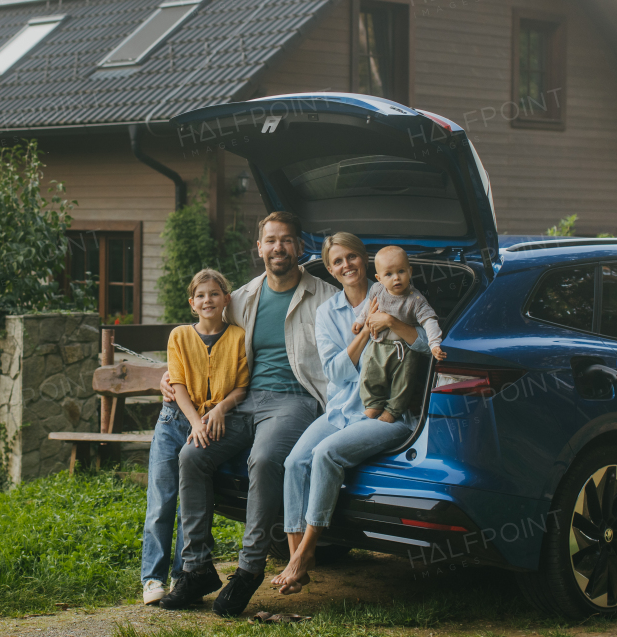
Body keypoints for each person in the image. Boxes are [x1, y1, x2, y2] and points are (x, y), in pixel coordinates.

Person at [160, 211, 336, 617]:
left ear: (300, 247)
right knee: (192, 456)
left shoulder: (325, 297)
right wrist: (169, 376)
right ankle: (198, 567)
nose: (278, 247)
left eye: (286, 240)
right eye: (270, 240)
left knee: (264, 458)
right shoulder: (241, 297)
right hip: (244, 401)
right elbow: (203, 336)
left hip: (296, 401)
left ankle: (249, 568)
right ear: (259, 248)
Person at [273, 234, 434, 595]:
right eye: (339, 261)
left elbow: (426, 345)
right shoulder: (327, 312)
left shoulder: (401, 292)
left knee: (326, 454)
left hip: (387, 414)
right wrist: (364, 330)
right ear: (331, 270)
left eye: (353, 258)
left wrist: (390, 320)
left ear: (366, 261)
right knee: (294, 462)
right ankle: (295, 556)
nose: (347, 266)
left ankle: (307, 551)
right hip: (341, 408)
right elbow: (336, 372)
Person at [142, 268, 249, 605]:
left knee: (190, 503)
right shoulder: (179, 336)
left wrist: (217, 411)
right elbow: (178, 384)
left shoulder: (238, 337)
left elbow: (242, 386)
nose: (208, 300)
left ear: (226, 299)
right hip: (175, 422)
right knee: (162, 500)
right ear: (192, 303)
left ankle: (182, 576)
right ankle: (152, 578)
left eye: (214, 294)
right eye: (201, 295)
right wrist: (196, 422)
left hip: (211, 423)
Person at [353, 245, 446, 419]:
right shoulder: (377, 290)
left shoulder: (416, 299)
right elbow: (368, 305)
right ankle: (373, 404)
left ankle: (392, 411)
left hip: (404, 350)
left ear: (410, 272)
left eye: (401, 271)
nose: (396, 278)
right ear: (378, 278)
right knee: (370, 374)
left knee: (403, 382)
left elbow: (430, 322)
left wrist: (434, 344)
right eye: (389, 274)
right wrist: (360, 320)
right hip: (378, 345)